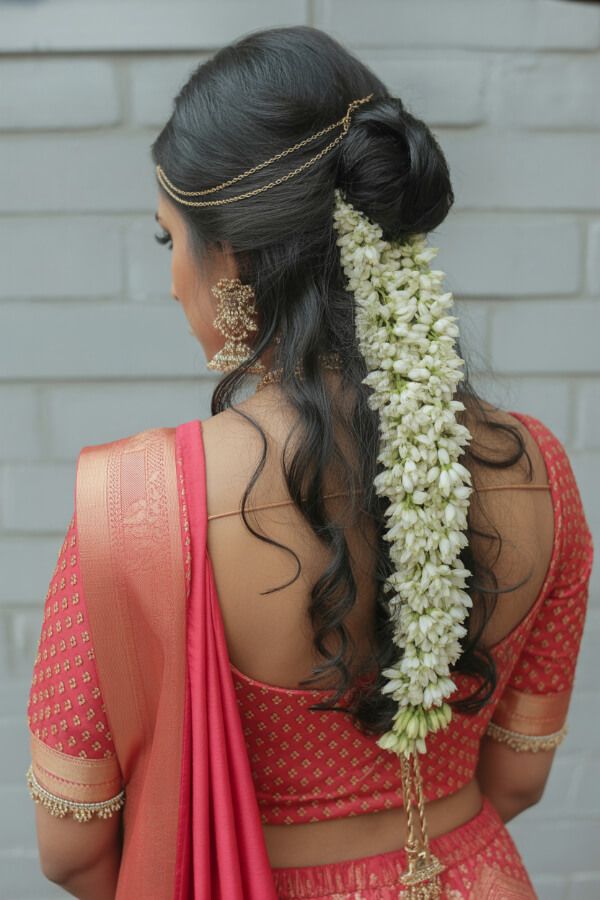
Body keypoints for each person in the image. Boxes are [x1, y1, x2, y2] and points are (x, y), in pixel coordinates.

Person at [25, 24, 594, 900]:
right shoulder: (539, 467)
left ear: (234, 259)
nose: (173, 278)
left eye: (167, 240)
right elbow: (516, 781)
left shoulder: (139, 507)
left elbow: (72, 849)